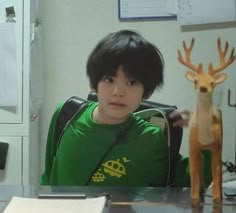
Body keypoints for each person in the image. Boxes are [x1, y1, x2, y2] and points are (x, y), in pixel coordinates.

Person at [40, 30, 210, 187]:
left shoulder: (151, 139)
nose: (118, 92)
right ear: (93, 83)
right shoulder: (67, 114)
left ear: (147, 91)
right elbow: (48, 177)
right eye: (109, 79)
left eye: (132, 82)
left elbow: (196, 182)